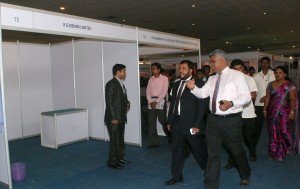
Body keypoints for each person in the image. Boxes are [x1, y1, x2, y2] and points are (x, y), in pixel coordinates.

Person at [186, 49, 251, 188]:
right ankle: (211, 184)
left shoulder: (237, 76)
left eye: (213, 61)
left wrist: (231, 104)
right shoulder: (212, 78)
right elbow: (203, 94)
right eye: (210, 62)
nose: (211, 64)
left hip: (231, 120)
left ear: (222, 60)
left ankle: (245, 174)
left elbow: (246, 97)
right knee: (213, 153)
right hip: (213, 120)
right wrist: (193, 88)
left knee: (236, 150)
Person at [164, 60, 208, 185]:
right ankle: (177, 175)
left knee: (198, 149)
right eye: (179, 68)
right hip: (177, 122)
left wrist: (197, 124)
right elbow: (173, 104)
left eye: (183, 68)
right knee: (176, 149)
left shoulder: (199, 84)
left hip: (192, 124)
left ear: (190, 70)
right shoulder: (176, 84)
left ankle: (208, 169)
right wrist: (169, 121)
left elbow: (202, 106)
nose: (180, 71)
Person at [223, 59, 258, 170]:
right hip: (234, 113)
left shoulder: (249, 79)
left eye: (240, 68)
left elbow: (252, 96)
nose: (238, 71)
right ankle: (232, 160)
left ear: (244, 68)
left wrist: (239, 97)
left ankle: (252, 153)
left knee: (248, 138)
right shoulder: (229, 81)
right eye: (235, 69)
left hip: (248, 114)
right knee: (233, 139)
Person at [264, 66, 299, 161]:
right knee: (273, 132)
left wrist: (292, 111)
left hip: (284, 112)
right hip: (272, 111)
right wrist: (264, 109)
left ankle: (287, 147)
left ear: (285, 74)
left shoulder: (290, 85)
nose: (277, 74)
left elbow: (292, 99)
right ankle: (273, 151)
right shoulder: (270, 84)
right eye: (276, 73)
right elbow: (267, 98)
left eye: (280, 73)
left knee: (284, 131)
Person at [105, 64, 131, 169]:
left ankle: (120, 158)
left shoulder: (121, 84)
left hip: (121, 117)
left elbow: (119, 99)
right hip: (114, 119)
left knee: (120, 140)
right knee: (114, 140)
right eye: (124, 71)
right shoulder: (111, 84)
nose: (125, 73)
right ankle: (112, 161)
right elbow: (109, 102)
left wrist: (127, 102)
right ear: (117, 72)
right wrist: (114, 117)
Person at [253, 57, 275, 159]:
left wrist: (267, 97)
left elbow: (278, 89)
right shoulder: (256, 76)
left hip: (272, 105)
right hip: (258, 105)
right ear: (260, 64)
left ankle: (273, 149)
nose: (265, 64)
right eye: (263, 63)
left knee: (272, 128)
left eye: (267, 62)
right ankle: (253, 150)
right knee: (257, 129)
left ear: (269, 63)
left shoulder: (274, 75)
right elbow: (253, 89)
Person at [146, 62, 170, 147]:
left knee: (162, 121)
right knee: (151, 122)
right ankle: (153, 142)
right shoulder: (150, 79)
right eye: (152, 69)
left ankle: (171, 137)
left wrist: (156, 102)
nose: (153, 70)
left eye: (154, 68)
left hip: (160, 101)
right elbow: (147, 91)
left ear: (159, 69)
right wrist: (150, 101)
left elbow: (164, 91)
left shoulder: (164, 79)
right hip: (151, 101)